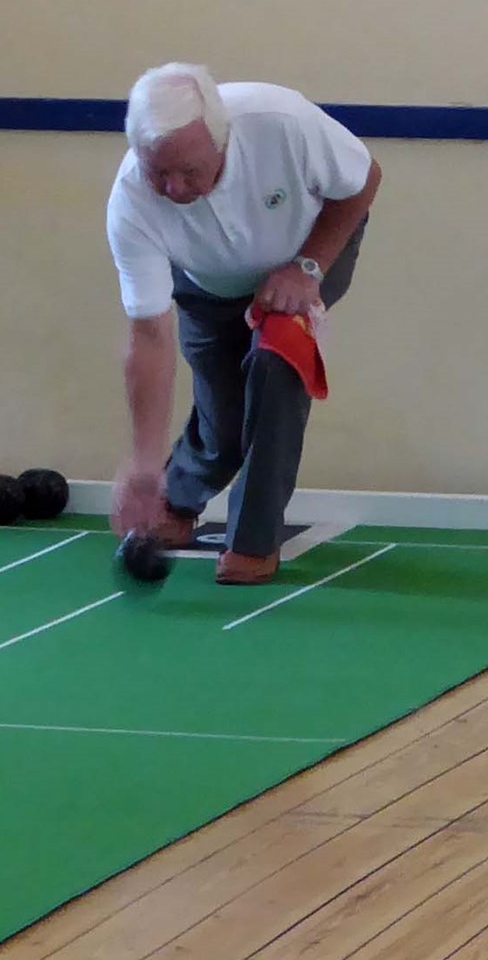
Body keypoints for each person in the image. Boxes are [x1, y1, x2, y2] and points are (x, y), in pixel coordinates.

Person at [107, 63, 381, 584]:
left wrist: (307, 269)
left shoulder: (280, 121)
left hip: (308, 252)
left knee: (276, 363)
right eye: (157, 171)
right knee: (222, 418)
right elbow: (149, 337)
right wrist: (143, 466)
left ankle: (254, 541)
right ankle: (175, 496)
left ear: (222, 138)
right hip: (207, 282)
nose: (174, 187)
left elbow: (363, 179)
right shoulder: (130, 202)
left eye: (189, 171)